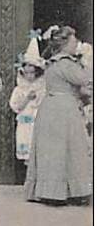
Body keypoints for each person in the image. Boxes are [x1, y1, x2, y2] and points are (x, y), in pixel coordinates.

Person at [24, 25, 93, 205]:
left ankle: (50, 191)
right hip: (64, 108)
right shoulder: (66, 63)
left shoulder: (52, 62)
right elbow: (86, 79)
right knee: (72, 148)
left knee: (53, 150)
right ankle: (73, 192)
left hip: (49, 107)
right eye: (73, 41)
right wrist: (88, 59)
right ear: (65, 44)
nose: (76, 43)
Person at [9, 36, 46, 164]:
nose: (30, 76)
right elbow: (15, 106)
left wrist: (37, 99)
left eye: (33, 73)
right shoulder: (20, 90)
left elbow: (43, 103)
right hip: (25, 124)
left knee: (38, 150)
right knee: (26, 149)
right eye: (27, 73)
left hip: (38, 123)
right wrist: (26, 99)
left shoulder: (41, 88)